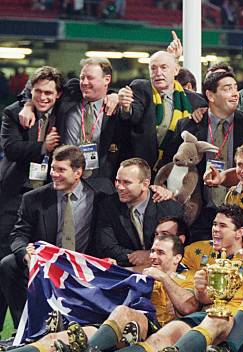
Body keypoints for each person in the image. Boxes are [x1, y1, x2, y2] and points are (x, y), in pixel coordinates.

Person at [75, 205, 243, 352]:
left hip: (230, 322)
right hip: (201, 315)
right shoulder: (198, 251)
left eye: (222, 226)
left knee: (173, 331)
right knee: (160, 331)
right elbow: (166, 261)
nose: (215, 229)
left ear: (240, 232)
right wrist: (116, 270)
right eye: (215, 224)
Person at [140, 215, 243, 352]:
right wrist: (200, 288)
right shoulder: (231, 262)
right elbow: (172, 263)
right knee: (172, 331)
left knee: (228, 311)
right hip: (212, 319)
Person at [0, 146, 109, 329]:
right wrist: (26, 254)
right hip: (47, 266)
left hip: (83, 266)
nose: (54, 174)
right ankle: (26, 328)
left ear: (78, 173)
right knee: (8, 264)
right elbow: (18, 234)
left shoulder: (100, 194)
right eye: (53, 168)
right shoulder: (33, 198)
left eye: (61, 170)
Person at [57, 235, 199, 352]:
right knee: (57, 337)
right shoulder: (143, 274)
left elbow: (189, 308)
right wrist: (110, 268)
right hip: (132, 323)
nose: (153, 256)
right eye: (152, 251)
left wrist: (163, 277)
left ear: (177, 258)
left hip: (163, 330)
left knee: (123, 312)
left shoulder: (188, 277)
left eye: (160, 252)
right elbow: (119, 277)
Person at [176, 71, 243, 241]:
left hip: (241, 212)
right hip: (201, 215)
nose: (235, 93)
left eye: (235, 88)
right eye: (227, 88)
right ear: (210, 95)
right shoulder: (189, 125)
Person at [0, 67, 64, 267]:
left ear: (58, 94)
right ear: (31, 91)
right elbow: (11, 148)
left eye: (48, 93)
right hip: (14, 193)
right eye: (38, 92)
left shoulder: (65, 111)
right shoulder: (13, 112)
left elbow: (90, 89)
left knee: (41, 254)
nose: (43, 97)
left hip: (47, 195)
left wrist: (113, 96)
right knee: (5, 252)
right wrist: (43, 147)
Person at [117, 50, 207, 170]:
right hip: (143, 168)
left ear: (176, 70)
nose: (158, 73)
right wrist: (126, 107)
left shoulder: (195, 101)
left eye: (164, 68)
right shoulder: (141, 89)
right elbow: (133, 114)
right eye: (153, 68)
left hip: (178, 170)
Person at [96, 158, 184, 268]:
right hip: (126, 268)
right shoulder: (108, 205)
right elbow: (107, 246)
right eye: (118, 181)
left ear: (145, 184)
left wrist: (150, 255)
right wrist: (136, 257)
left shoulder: (170, 208)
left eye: (127, 182)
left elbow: (178, 246)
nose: (120, 187)